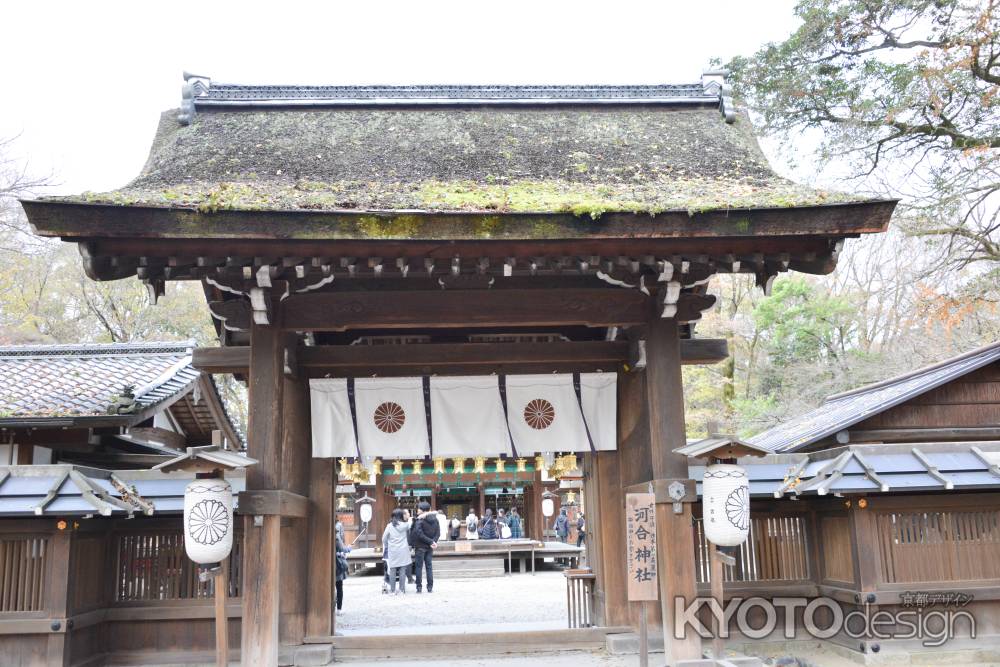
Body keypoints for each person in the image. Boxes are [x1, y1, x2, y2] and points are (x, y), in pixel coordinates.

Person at [410, 501, 440, 593]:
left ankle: (419, 587)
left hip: (420, 546)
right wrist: (433, 542)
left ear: (422, 510)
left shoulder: (420, 520)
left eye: (419, 508)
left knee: (419, 567)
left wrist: (431, 542)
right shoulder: (435, 519)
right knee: (429, 567)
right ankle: (430, 587)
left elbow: (419, 534)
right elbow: (438, 533)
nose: (417, 510)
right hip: (430, 547)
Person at [382, 508, 412, 594]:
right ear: (401, 516)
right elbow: (411, 523)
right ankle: (402, 590)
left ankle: (392, 590)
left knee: (392, 570)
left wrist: (387, 546)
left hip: (393, 550)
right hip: (403, 550)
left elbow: (384, 539)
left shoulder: (389, 526)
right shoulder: (405, 525)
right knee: (402, 569)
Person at [335, 530, 351, 614]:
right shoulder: (335, 536)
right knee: (339, 587)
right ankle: (339, 609)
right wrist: (348, 548)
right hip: (336, 565)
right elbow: (342, 548)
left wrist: (338, 553)